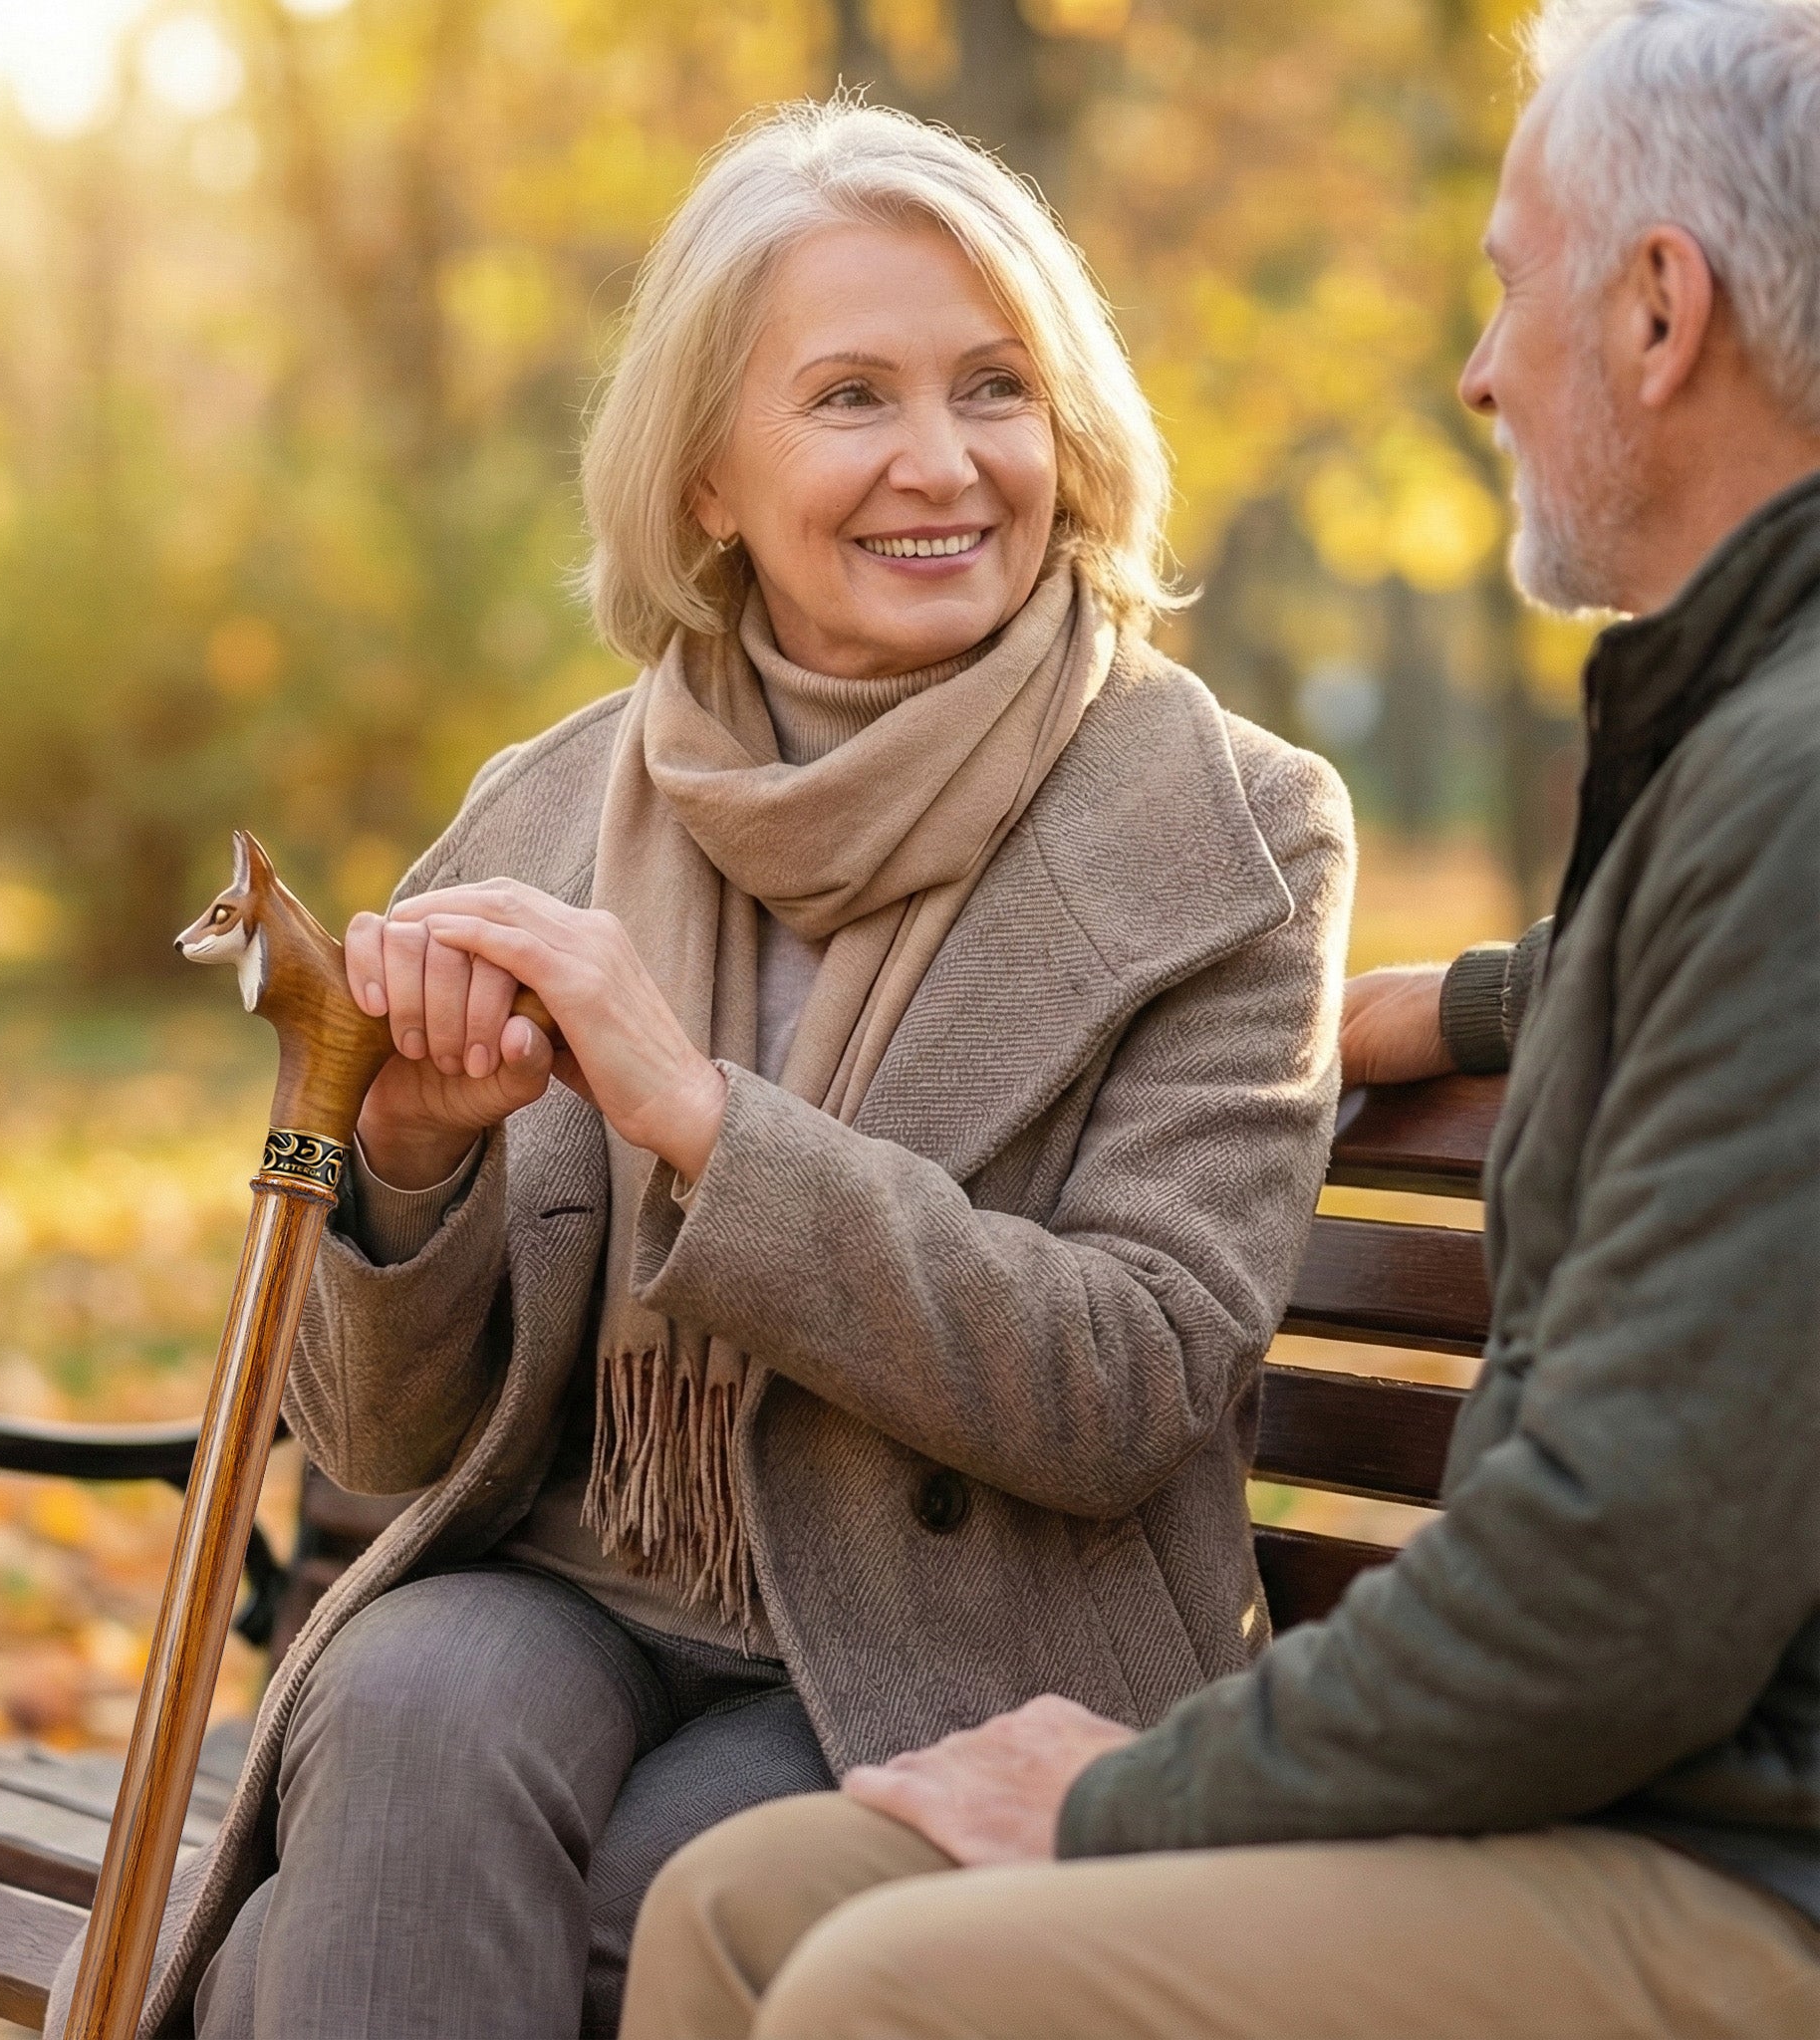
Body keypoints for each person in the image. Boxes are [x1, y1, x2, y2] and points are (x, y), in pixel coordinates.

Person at [43, 101, 1353, 2040]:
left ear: (1069, 426)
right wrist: (405, 1169)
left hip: (968, 1654)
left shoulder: (1231, 829)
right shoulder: (546, 811)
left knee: (545, 1909)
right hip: (571, 1587)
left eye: (995, 385)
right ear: (709, 476)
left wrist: (708, 1123)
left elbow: (1131, 1379)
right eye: (850, 397)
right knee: (402, 1693)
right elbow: (384, 1459)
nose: (941, 461)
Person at [617, 4, 1820, 2037]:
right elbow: (1709, 987)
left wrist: (1135, 1794)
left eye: (1506, 287)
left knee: (880, 1993)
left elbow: (1615, 1596)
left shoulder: (1787, 776)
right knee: (742, 1906)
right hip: (1604, 1789)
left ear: (1655, 312)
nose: (1474, 369)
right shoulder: (1745, 754)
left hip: (1730, 1858)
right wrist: (1451, 1004)